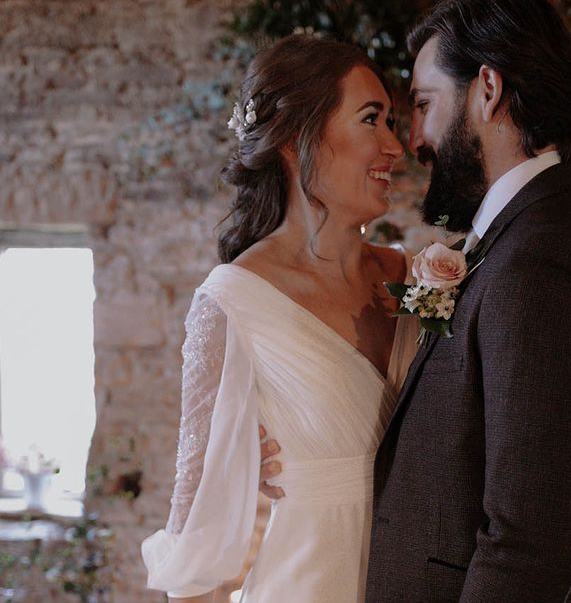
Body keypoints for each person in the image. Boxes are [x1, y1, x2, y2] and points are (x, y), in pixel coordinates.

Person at [261, 0, 571, 600]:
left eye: (423, 103)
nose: (414, 139)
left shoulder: (549, 257)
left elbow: (531, 541)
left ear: (487, 90)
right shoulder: (514, 241)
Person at [141, 34, 420, 602]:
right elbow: (198, 539)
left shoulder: (417, 278)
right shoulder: (235, 301)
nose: (395, 145)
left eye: (392, 121)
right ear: (298, 138)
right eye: (372, 120)